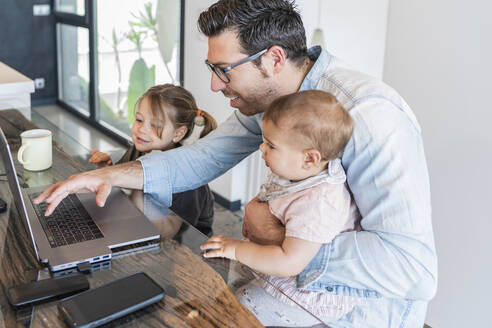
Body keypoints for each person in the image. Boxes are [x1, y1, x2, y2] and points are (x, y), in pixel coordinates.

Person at [34, 1, 437, 326]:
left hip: (349, 312)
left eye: (222, 70)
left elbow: (412, 268)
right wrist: (107, 174)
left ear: (274, 59)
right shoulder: (270, 103)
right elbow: (202, 158)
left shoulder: (370, 115)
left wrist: (283, 240)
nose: (213, 84)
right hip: (276, 281)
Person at [201, 90, 361, 325]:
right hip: (277, 266)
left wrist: (235, 249)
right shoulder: (298, 169)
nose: (261, 149)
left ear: (310, 159)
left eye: (271, 146)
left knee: (239, 309)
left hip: (306, 293)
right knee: (226, 288)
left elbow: (290, 262)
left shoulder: (319, 202)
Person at [90, 84, 217, 236]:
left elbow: (172, 231)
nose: (142, 129)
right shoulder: (139, 149)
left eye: (155, 125)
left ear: (178, 134)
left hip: (187, 245)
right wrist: (107, 168)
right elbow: (122, 181)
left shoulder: (187, 177)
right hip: (140, 223)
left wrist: (137, 197)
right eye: (139, 120)